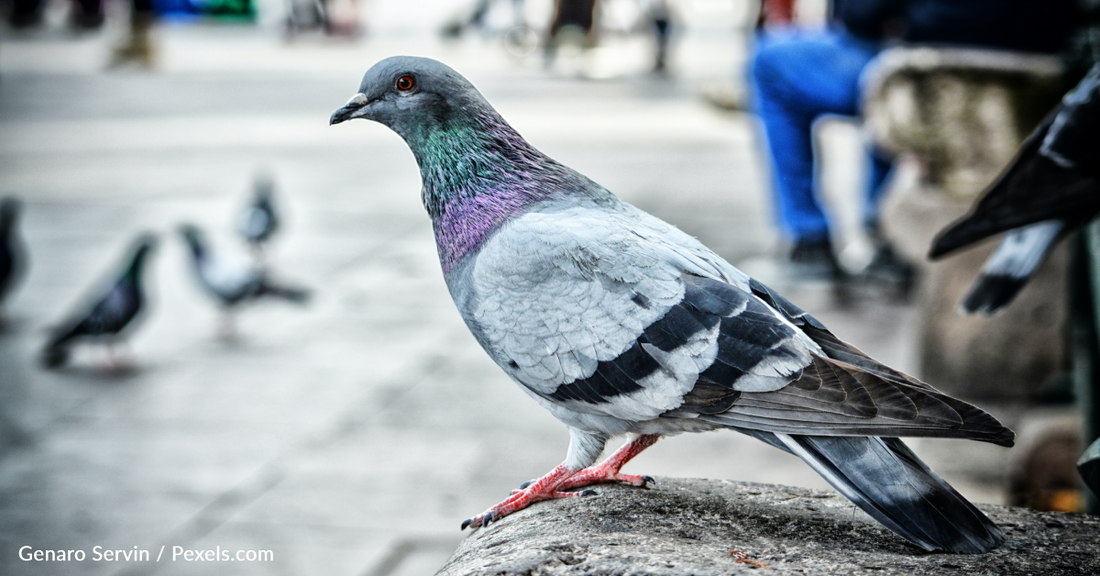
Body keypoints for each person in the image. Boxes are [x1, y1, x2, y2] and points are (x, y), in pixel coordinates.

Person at [750, 0, 1080, 282]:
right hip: (1038, 80)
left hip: (929, 81)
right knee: (887, 60)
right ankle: (881, 238)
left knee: (770, 61)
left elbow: (862, 16)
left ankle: (810, 241)